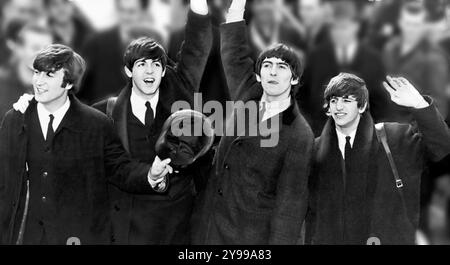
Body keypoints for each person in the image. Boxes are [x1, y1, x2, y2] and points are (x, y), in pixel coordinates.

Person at [0, 44, 173, 245]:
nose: (38, 82)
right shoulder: (16, 119)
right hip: (24, 237)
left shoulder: (95, 124)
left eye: (49, 75)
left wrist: (151, 175)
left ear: (68, 83)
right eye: (37, 73)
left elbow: (120, 169)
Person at [191, 0, 314, 245]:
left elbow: (290, 206)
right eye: (267, 66)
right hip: (209, 228)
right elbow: (234, 54)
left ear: (294, 78)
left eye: (282, 67)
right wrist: (237, 6)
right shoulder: (248, 94)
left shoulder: (300, 134)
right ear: (258, 75)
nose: (273, 72)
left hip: (251, 238)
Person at [92, 0, 212, 245]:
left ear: (164, 70)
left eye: (156, 65)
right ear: (128, 71)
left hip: (177, 225)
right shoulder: (106, 114)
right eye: (142, 64)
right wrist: (33, 104)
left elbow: (198, 44)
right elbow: (68, 118)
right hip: (129, 224)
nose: (150, 71)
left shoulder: (181, 90)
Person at [306, 73, 450, 244]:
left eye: (346, 100)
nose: (339, 106)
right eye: (334, 100)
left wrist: (419, 104)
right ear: (328, 108)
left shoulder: (395, 137)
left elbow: (441, 147)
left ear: (362, 106)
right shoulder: (313, 151)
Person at [299, 0, 391, 136]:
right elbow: (302, 97)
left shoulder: (373, 59)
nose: (339, 32)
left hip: (362, 137)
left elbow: (382, 104)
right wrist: (310, 128)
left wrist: (372, 134)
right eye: (335, 28)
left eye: (344, 27)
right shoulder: (316, 56)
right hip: (321, 135)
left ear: (356, 27)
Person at [78, 0, 157, 105]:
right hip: (101, 116)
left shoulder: (155, 47)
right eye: (122, 10)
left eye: (131, 12)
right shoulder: (96, 43)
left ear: (143, 13)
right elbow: (80, 88)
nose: (125, 17)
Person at [0, 20, 53, 118]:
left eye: (47, 48)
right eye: (35, 48)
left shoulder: (57, 86)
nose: (42, 54)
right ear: (20, 49)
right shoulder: (2, 85)